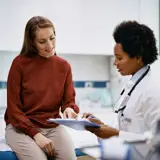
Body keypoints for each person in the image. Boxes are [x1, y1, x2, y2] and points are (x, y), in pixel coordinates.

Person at [4, 16, 79, 160]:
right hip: (20, 129)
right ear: (32, 42)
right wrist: (36, 135)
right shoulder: (19, 64)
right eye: (42, 41)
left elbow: (69, 101)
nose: (50, 45)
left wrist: (69, 109)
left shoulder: (64, 66)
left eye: (52, 38)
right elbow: (14, 111)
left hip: (52, 127)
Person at [82, 21, 160, 140]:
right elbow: (124, 127)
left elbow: (156, 141)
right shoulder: (131, 85)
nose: (115, 63)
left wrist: (115, 134)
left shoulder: (153, 90)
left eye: (119, 58)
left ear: (138, 58)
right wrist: (100, 126)